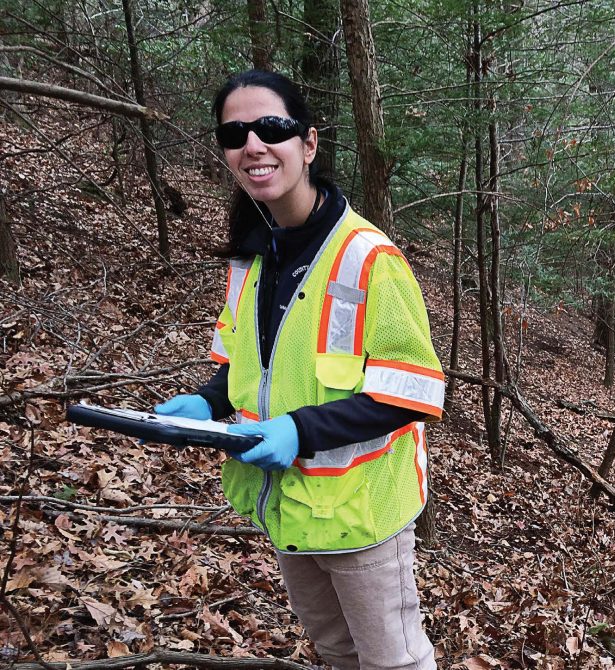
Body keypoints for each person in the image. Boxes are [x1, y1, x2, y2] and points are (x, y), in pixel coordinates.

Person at [154, 70, 443, 670]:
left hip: (362, 514)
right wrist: (210, 404)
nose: (253, 144)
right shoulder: (251, 253)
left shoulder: (369, 258)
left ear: (308, 144)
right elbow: (243, 363)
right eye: (235, 133)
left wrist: (300, 430)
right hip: (288, 502)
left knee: (395, 662)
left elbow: (412, 392)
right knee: (337, 653)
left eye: (272, 127)